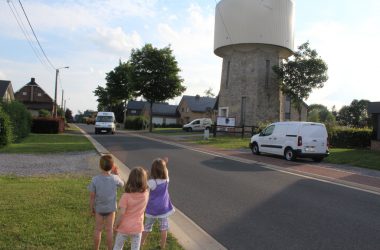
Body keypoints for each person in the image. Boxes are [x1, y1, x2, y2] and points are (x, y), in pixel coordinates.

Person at [88, 154, 124, 250]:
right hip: (111, 209)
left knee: (98, 229)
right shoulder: (115, 178)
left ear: (100, 166)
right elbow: (122, 184)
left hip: (99, 209)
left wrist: (91, 208)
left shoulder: (95, 179)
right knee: (109, 230)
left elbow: (92, 196)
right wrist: (117, 174)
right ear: (112, 167)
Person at [141, 158, 175, 249]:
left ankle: (141, 243)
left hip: (152, 209)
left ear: (153, 171)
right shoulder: (166, 180)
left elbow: (143, 188)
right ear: (164, 170)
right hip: (163, 208)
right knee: (164, 228)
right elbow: (166, 173)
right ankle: (162, 246)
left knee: (147, 227)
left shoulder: (152, 182)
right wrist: (165, 165)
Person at [113, 167, 149, 250]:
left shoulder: (126, 196)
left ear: (130, 180)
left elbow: (121, 213)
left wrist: (115, 225)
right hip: (137, 227)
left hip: (124, 227)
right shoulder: (146, 194)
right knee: (135, 248)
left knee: (118, 246)